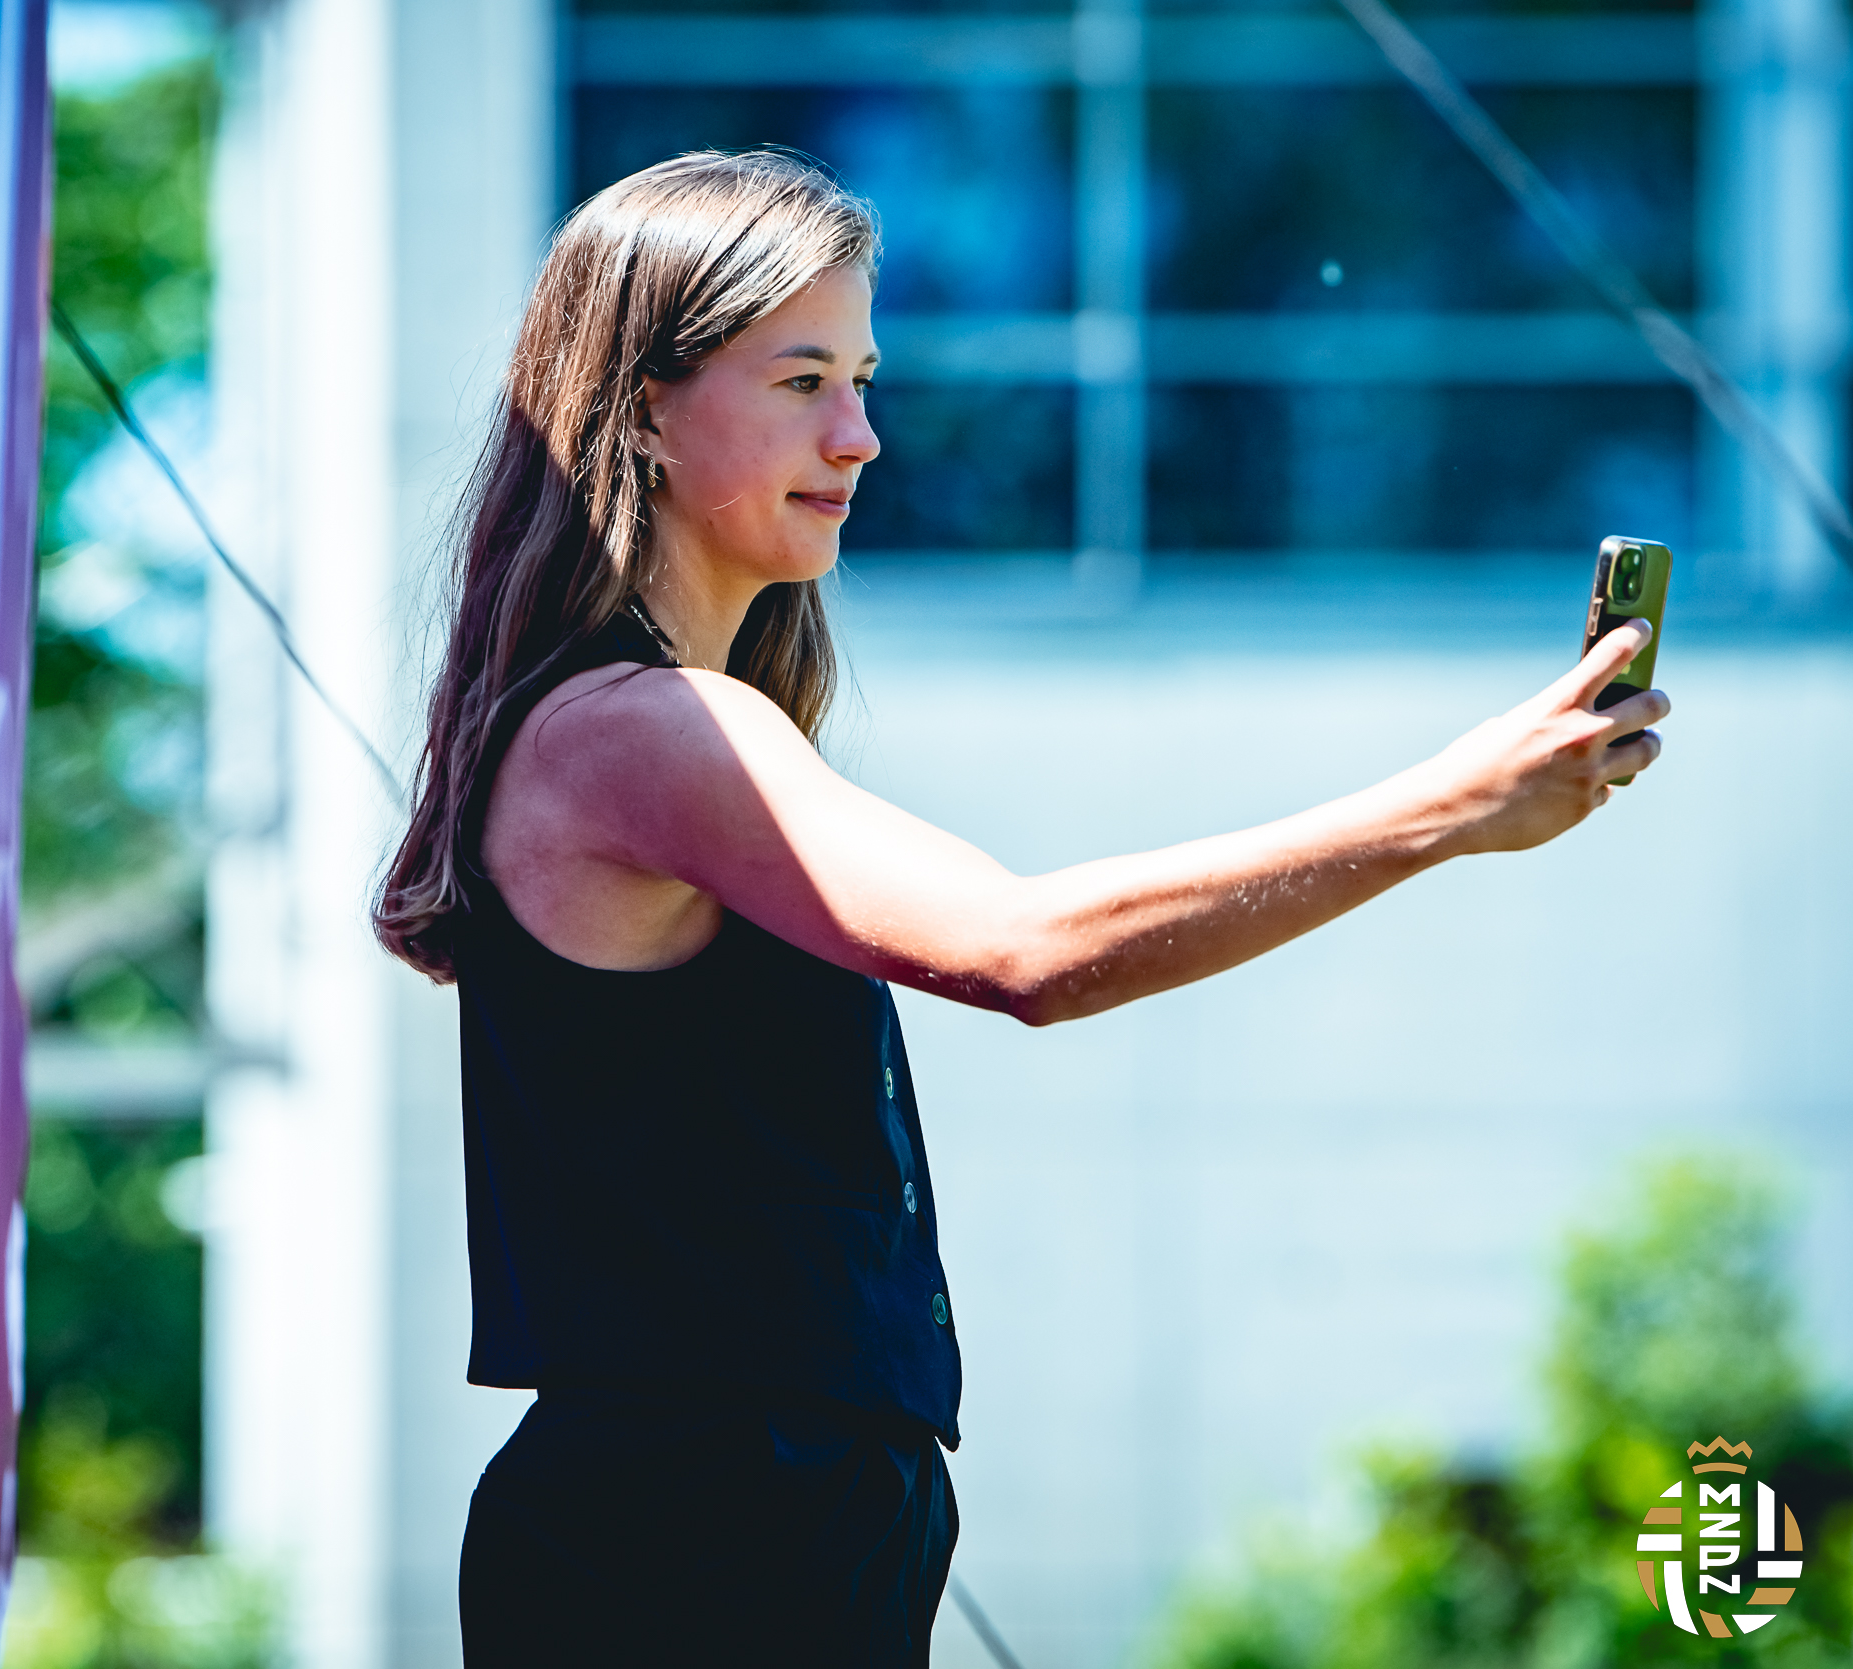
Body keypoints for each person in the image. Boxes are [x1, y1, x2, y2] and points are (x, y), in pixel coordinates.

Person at [373, 150, 1667, 1668]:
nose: (858, 436)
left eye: (862, 381)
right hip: (696, 1534)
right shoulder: (639, 730)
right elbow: (1027, 950)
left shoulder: (655, 723)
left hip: (739, 1520)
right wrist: (1449, 806)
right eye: (802, 382)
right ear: (644, 408)